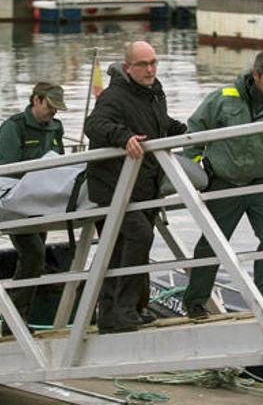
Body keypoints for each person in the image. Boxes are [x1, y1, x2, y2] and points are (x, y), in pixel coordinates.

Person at [182, 50, 263, 319]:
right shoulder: (224, 98)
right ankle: (194, 301)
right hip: (223, 183)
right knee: (213, 243)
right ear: (256, 75)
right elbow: (193, 133)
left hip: (259, 181)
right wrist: (192, 174)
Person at [84, 41, 187, 334]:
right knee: (138, 237)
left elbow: (157, 123)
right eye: (143, 64)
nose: (150, 69)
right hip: (112, 187)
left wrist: (185, 130)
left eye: (154, 62)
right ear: (128, 67)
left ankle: (115, 314)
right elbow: (94, 125)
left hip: (144, 185)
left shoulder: (154, 93)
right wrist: (123, 136)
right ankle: (123, 310)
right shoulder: (115, 95)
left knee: (118, 250)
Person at [0, 82, 67, 336]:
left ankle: (15, 321)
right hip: (18, 204)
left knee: (32, 260)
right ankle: (13, 322)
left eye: (57, 109)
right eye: (50, 107)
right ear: (36, 100)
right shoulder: (13, 127)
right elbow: (5, 170)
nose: (53, 113)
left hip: (43, 204)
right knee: (34, 255)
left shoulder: (56, 127)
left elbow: (62, 161)